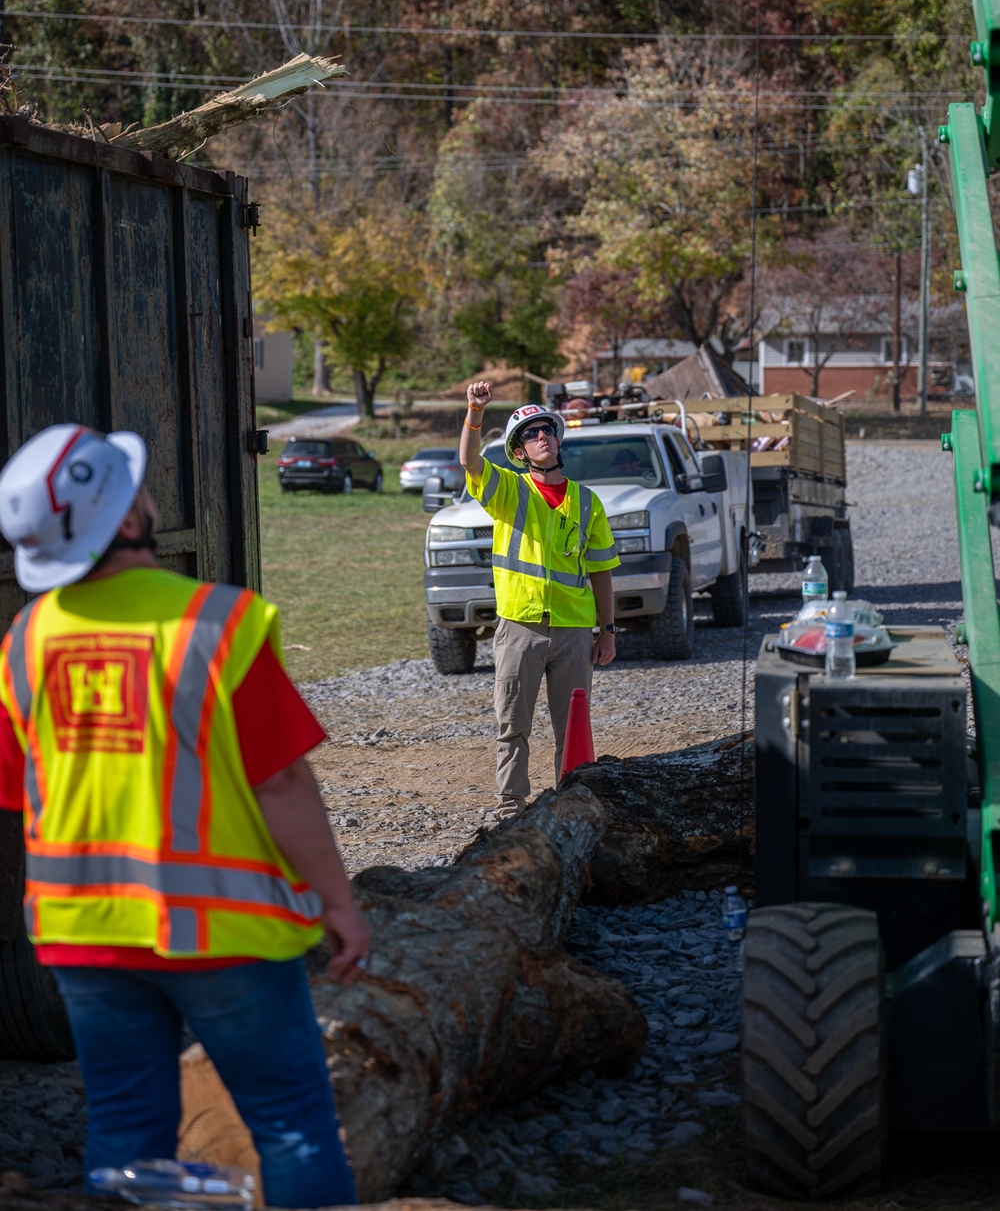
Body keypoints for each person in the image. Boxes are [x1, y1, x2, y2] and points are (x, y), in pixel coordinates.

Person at [0, 424, 369, 1209]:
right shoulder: (219, 624)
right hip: (222, 933)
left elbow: (16, 787)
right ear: (129, 520)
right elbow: (283, 785)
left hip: (83, 935)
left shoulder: (25, 640)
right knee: (292, 1127)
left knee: (127, 1133)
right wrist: (338, 900)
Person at [460, 383, 621, 817]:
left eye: (546, 429)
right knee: (513, 725)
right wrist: (475, 412)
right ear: (519, 451)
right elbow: (470, 461)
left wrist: (606, 630)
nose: (542, 436)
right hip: (520, 628)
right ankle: (511, 808)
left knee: (573, 729)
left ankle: (574, 803)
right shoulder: (508, 492)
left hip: (573, 633)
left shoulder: (587, 503)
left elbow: (601, 571)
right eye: (531, 434)